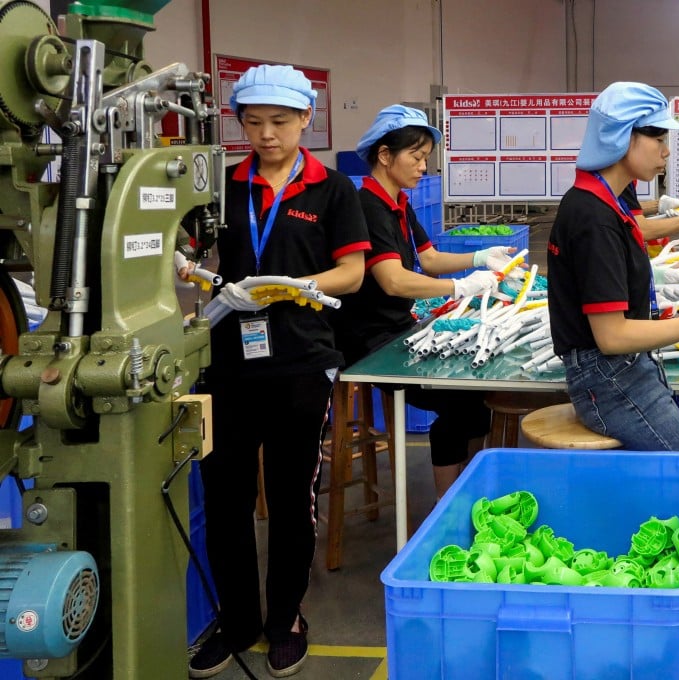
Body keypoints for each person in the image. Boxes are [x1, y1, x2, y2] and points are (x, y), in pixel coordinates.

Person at [186, 64, 370, 679]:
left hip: (302, 362)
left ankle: (286, 617)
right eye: (255, 122)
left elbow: (351, 274)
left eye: (281, 123)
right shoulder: (221, 187)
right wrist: (197, 277)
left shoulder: (332, 190)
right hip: (226, 363)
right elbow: (178, 252)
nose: (267, 135)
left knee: (293, 498)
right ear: (240, 121)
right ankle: (236, 621)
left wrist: (294, 287)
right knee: (226, 497)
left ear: (305, 121)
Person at [547, 81, 679, 451]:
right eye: (657, 138)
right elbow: (611, 337)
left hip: (625, 369)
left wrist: (643, 275)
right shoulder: (593, 217)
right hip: (608, 378)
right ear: (621, 138)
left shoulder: (605, 203)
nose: (667, 150)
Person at [335, 105, 511, 499]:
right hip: (371, 342)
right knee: (459, 400)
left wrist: (481, 258)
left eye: (425, 159)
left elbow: (429, 259)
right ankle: (449, 507)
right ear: (385, 156)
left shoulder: (397, 202)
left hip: (399, 328)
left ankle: (471, 489)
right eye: (415, 157)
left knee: (475, 395)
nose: (422, 167)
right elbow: (394, 281)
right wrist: (460, 288)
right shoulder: (368, 207)